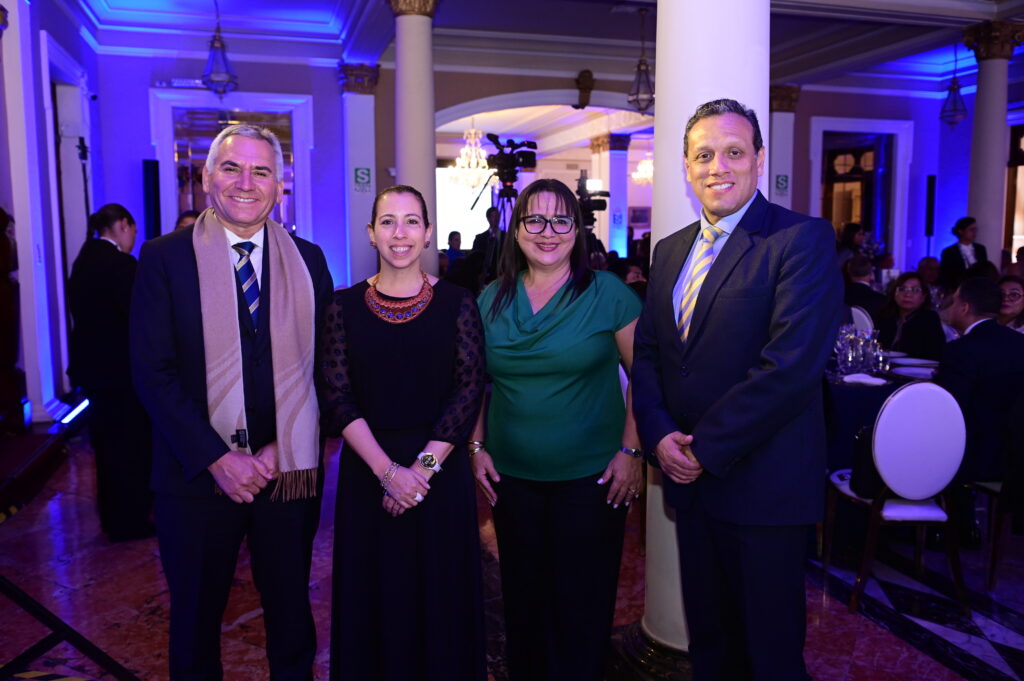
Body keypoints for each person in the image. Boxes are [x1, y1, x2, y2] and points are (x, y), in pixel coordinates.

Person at [632, 98, 842, 681]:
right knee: (711, 643)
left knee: (769, 655)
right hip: (690, 484)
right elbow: (649, 355)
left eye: (733, 152)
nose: (717, 167)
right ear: (686, 166)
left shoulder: (800, 239)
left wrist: (701, 449)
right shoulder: (669, 250)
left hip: (764, 487)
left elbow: (789, 369)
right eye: (703, 155)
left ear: (759, 159)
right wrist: (660, 436)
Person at [130, 124, 334, 681]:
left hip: (285, 472)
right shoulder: (164, 258)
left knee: (291, 612)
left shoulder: (309, 261)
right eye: (231, 168)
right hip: (196, 477)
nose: (246, 183)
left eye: (261, 171)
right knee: (195, 620)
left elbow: (327, 366)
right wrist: (219, 459)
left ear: (279, 186)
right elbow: (152, 372)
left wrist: (280, 448)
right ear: (206, 178)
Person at [472, 178, 642, 681]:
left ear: (578, 230)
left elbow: (646, 379)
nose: (548, 231)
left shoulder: (609, 294)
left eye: (561, 220)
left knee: (581, 604)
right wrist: (475, 446)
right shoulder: (491, 299)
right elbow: (471, 382)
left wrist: (631, 452)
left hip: (593, 479)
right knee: (523, 601)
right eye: (535, 219)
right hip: (511, 478)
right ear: (516, 230)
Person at [320, 185, 486, 681]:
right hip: (368, 471)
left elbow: (468, 390)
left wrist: (420, 471)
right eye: (388, 221)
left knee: (441, 599)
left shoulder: (459, 303)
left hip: (439, 475)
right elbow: (336, 395)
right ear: (371, 233)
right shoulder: (342, 306)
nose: (400, 233)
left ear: (428, 233)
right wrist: (388, 473)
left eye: (412, 221)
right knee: (375, 599)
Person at [67, 204, 153, 541]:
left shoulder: (83, 260)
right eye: (133, 230)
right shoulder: (119, 264)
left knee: (106, 449)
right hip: (120, 373)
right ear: (122, 225)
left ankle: (112, 516)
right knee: (129, 448)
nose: (133, 238)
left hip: (93, 371)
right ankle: (129, 521)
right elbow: (139, 317)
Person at [936, 277, 1024, 482]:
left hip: (974, 456)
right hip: (1015, 456)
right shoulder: (1020, 342)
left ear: (964, 308)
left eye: (954, 301)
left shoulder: (960, 350)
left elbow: (949, 408)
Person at [874, 271, 946, 360]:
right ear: (894, 294)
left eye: (915, 290)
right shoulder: (884, 316)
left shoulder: (930, 319)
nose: (908, 294)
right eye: (902, 289)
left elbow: (935, 354)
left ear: (923, 297)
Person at [939, 217, 988, 290]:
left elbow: (985, 269)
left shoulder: (980, 249)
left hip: (979, 287)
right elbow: (947, 275)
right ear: (961, 231)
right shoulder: (949, 252)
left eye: (975, 230)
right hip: (958, 287)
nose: (974, 233)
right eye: (971, 230)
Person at [471, 205, 506, 289]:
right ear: (488, 218)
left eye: (497, 216)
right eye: (493, 216)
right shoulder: (480, 238)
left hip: (504, 276)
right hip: (486, 278)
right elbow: (474, 259)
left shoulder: (506, 236)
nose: (496, 219)